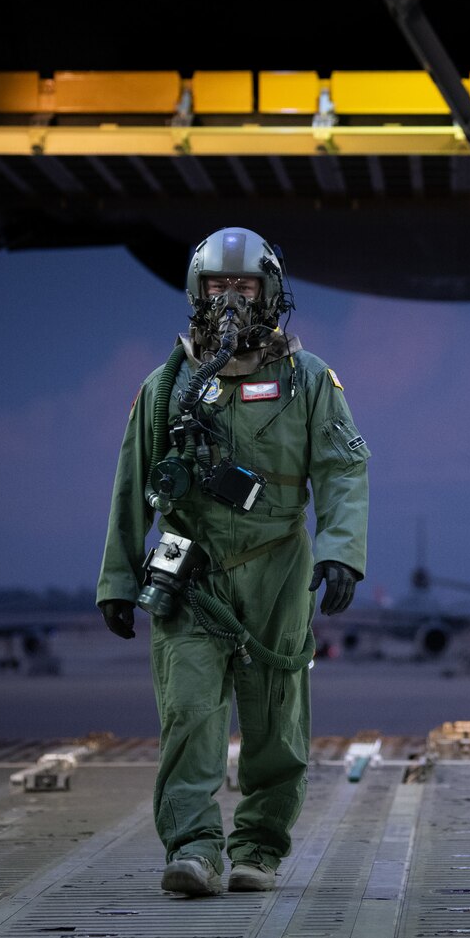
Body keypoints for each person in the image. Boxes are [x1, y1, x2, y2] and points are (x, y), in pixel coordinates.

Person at [96, 228, 368, 897]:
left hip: (279, 569)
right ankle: (193, 847)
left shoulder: (308, 381)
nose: (230, 300)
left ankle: (258, 847)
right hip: (192, 573)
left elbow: (342, 468)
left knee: (277, 718)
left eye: (244, 287)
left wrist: (341, 551)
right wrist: (119, 577)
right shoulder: (166, 386)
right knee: (189, 710)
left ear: (270, 294)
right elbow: (134, 483)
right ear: (197, 294)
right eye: (218, 287)